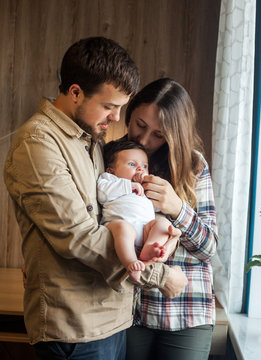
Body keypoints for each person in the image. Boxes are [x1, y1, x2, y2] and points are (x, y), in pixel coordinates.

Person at [4, 38, 187, 360]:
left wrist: (162, 230)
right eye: (109, 106)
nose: (117, 118)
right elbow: (76, 236)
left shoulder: (90, 141)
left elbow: (111, 213)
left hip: (111, 318)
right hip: (76, 328)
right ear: (75, 92)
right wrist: (159, 276)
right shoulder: (38, 144)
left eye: (120, 108)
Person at [124, 78, 218, 360]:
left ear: (174, 135)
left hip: (185, 310)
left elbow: (209, 248)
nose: (143, 139)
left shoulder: (193, 165)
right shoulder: (115, 157)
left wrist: (178, 208)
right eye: (140, 125)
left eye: (158, 134)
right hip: (131, 310)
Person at [97, 140, 180, 282]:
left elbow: (160, 207)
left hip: (144, 231)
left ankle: (150, 248)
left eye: (144, 166)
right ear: (112, 170)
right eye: (132, 164)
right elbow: (102, 193)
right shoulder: (110, 180)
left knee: (163, 225)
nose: (140, 169)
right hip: (117, 226)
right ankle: (130, 262)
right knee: (124, 228)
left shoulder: (146, 189)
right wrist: (128, 186)